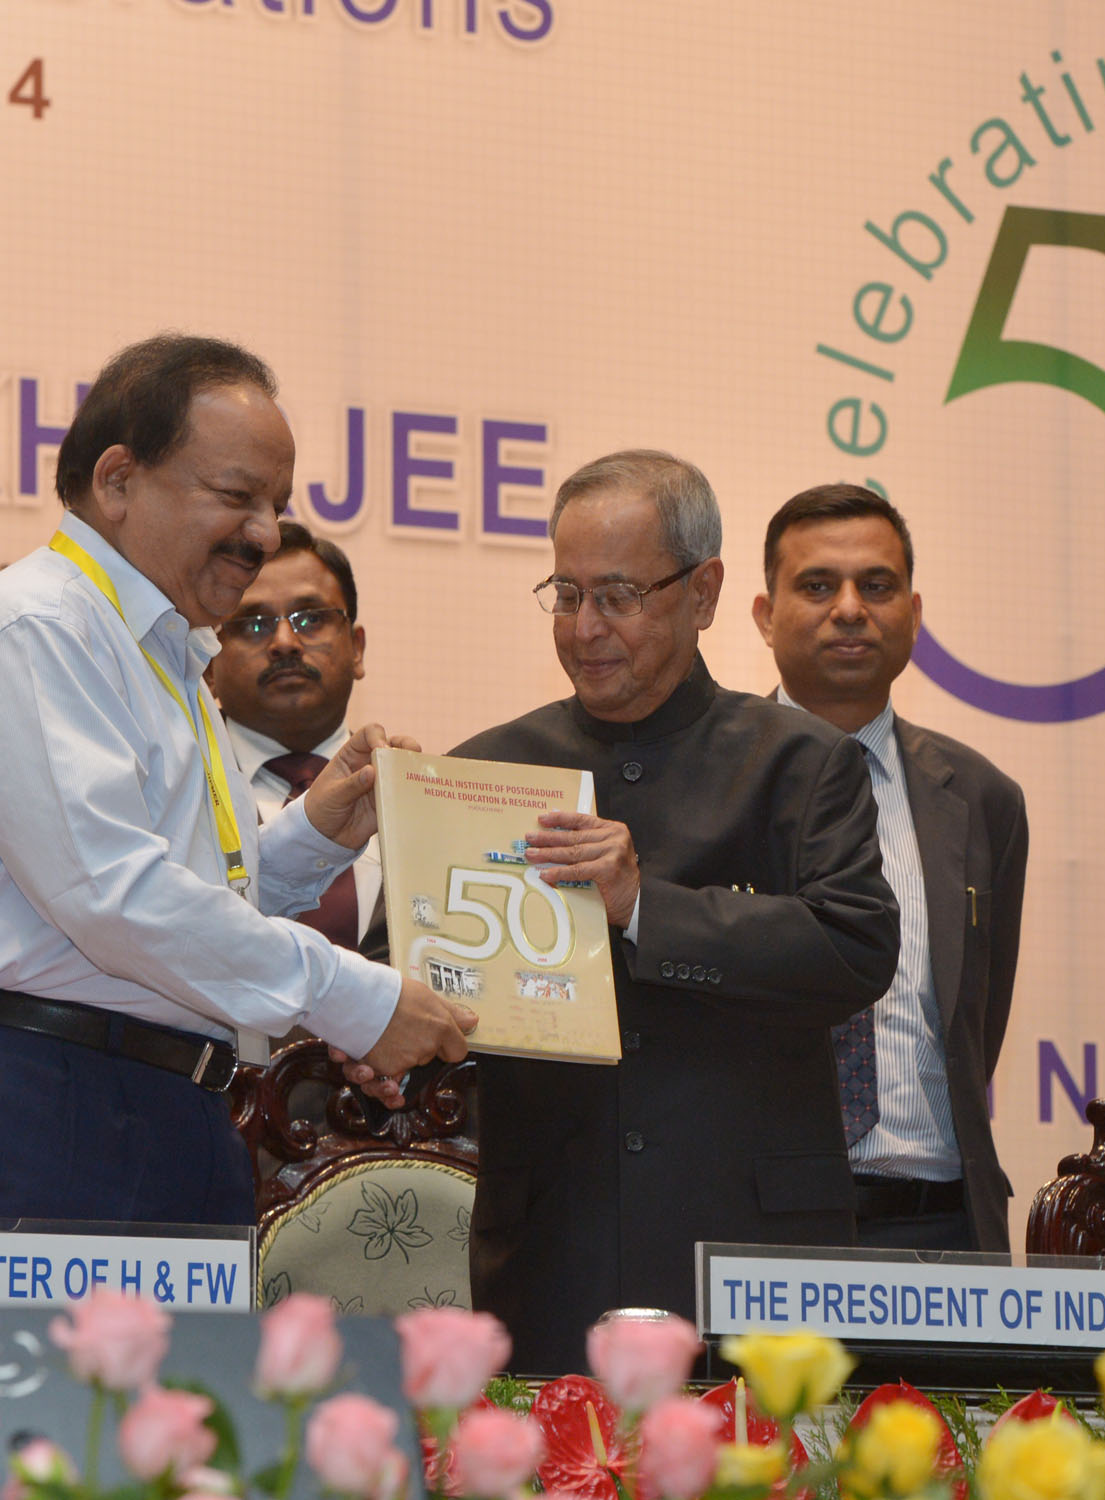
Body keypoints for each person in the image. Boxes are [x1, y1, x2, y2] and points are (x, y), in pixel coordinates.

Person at [0, 334, 472, 1226]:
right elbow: (113, 895)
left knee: (182, 1376)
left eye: (276, 503)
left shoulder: (166, 650)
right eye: (237, 497)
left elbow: (182, 893)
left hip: (163, 1099)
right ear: (117, 481)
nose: (265, 535)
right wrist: (355, 995)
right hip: (34, 1103)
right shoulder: (38, 626)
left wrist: (313, 835)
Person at [451, 449, 898, 1373]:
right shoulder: (488, 772)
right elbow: (412, 969)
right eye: (565, 594)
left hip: (751, 1258)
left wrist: (645, 906)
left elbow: (855, 949)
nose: (584, 628)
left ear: (703, 594)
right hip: (552, 1252)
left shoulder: (800, 762)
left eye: (617, 596)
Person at [751, 483, 1026, 1252]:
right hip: (758, 1221)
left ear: (913, 610)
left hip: (943, 1221)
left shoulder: (982, 798)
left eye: (877, 586)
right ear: (765, 615)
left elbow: (980, 1014)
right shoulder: (708, 781)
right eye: (816, 586)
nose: (849, 608)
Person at [208, 520, 380, 954]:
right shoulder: (171, 786)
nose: (285, 642)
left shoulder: (415, 796)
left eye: (311, 618)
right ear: (208, 666)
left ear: (356, 649)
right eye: (253, 623)